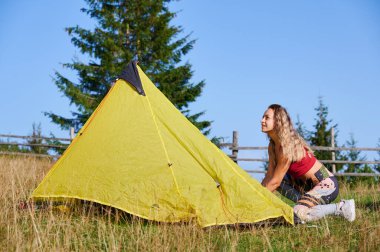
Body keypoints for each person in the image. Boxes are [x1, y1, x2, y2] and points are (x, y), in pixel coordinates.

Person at [260, 104, 355, 223]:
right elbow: (269, 177)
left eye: (266, 117)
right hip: (306, 186)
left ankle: (341, 207)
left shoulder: (286, 147)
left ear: (278, 121)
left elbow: (274, 182)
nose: (262, 120)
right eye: (263, 117)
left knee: (297, 214)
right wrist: (257, 195)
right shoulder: (272, 146)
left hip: (326, 184)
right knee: (281, 184)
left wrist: (256, 201)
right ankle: (304, 204)